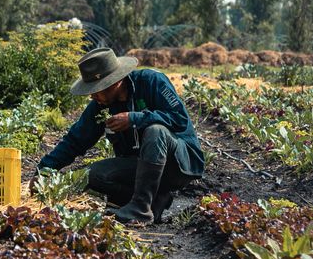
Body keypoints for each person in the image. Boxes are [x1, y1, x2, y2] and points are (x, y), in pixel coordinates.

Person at [32, 48, 204, 223]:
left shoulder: (152, 82)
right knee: (93, 174)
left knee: (155, 131)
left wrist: (135, 119)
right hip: (141, 168)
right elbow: (75, 140)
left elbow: (179, 119)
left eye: (97, 89)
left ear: (115, 82)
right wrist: (44, 170)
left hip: (179, 163)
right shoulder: (100, 106)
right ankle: (156, 199)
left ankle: (140, 208)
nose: (93, 95)